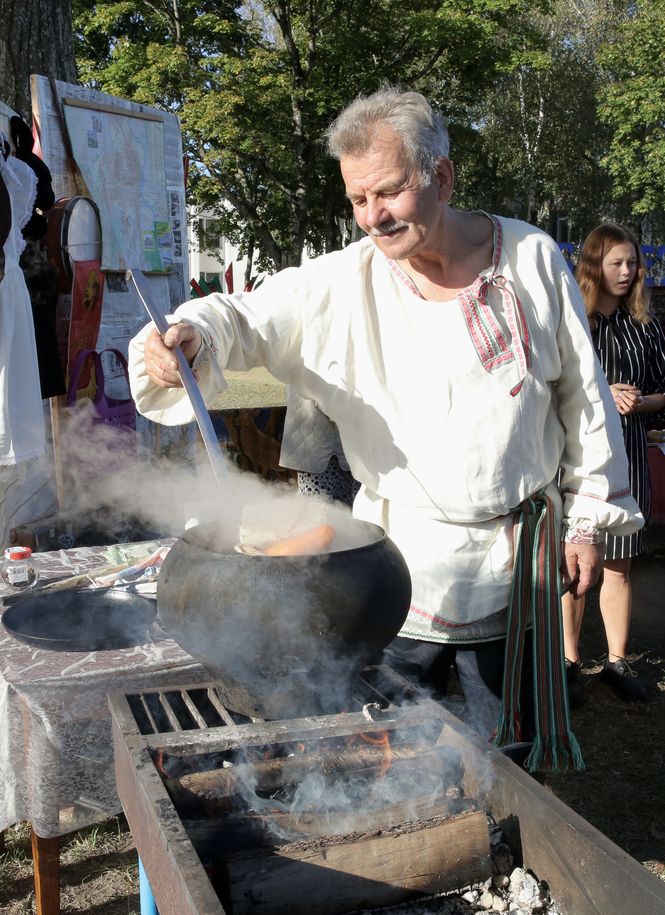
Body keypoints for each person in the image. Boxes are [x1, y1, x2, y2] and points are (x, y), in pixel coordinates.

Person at [128, 87, 643, 772]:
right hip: (395, 576)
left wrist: (585, 518)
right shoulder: (344, 283)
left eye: (389, 193)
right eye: (357, 199)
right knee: (398, 756)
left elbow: (584, 401)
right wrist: (191, 335)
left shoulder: (530, 258)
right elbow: (244, 315)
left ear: (443, 176)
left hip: (517, 563)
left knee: (507, 761)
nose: (372, 216)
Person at [562, 223, 665, 703]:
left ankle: (618, 661)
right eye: (616, 263)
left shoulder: (645, 326)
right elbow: (554, 386)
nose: (626, 272)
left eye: (632, 263)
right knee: (577, 568)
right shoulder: (573, 323)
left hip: (630, 457)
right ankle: (569, 663)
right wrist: (604, 394)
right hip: (581, 459)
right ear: (593, 266)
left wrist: (640, 403)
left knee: (620, 567)